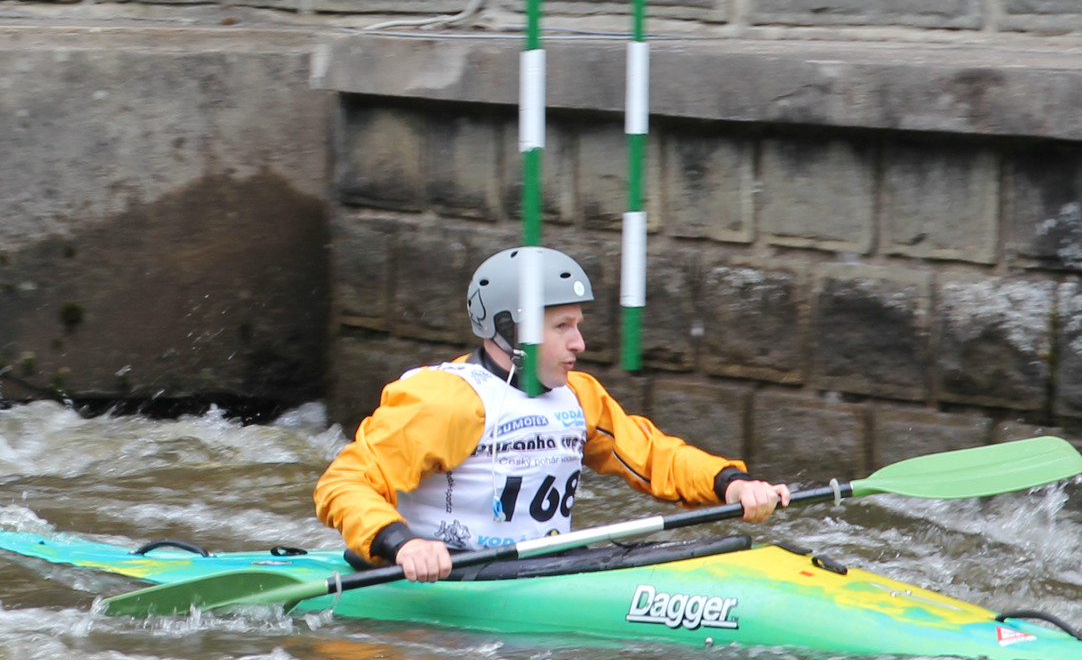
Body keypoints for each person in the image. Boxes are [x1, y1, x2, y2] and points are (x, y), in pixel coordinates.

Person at [316, 246, 792, 580]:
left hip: (542, 565)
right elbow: (345, 483)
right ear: (510, 329)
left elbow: (654, 457)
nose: (579, 343)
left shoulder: (578, 396)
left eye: (577, 325)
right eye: (562, 326)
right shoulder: (445, 401)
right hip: (448, 572)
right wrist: (402, 544)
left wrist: (731, 483)